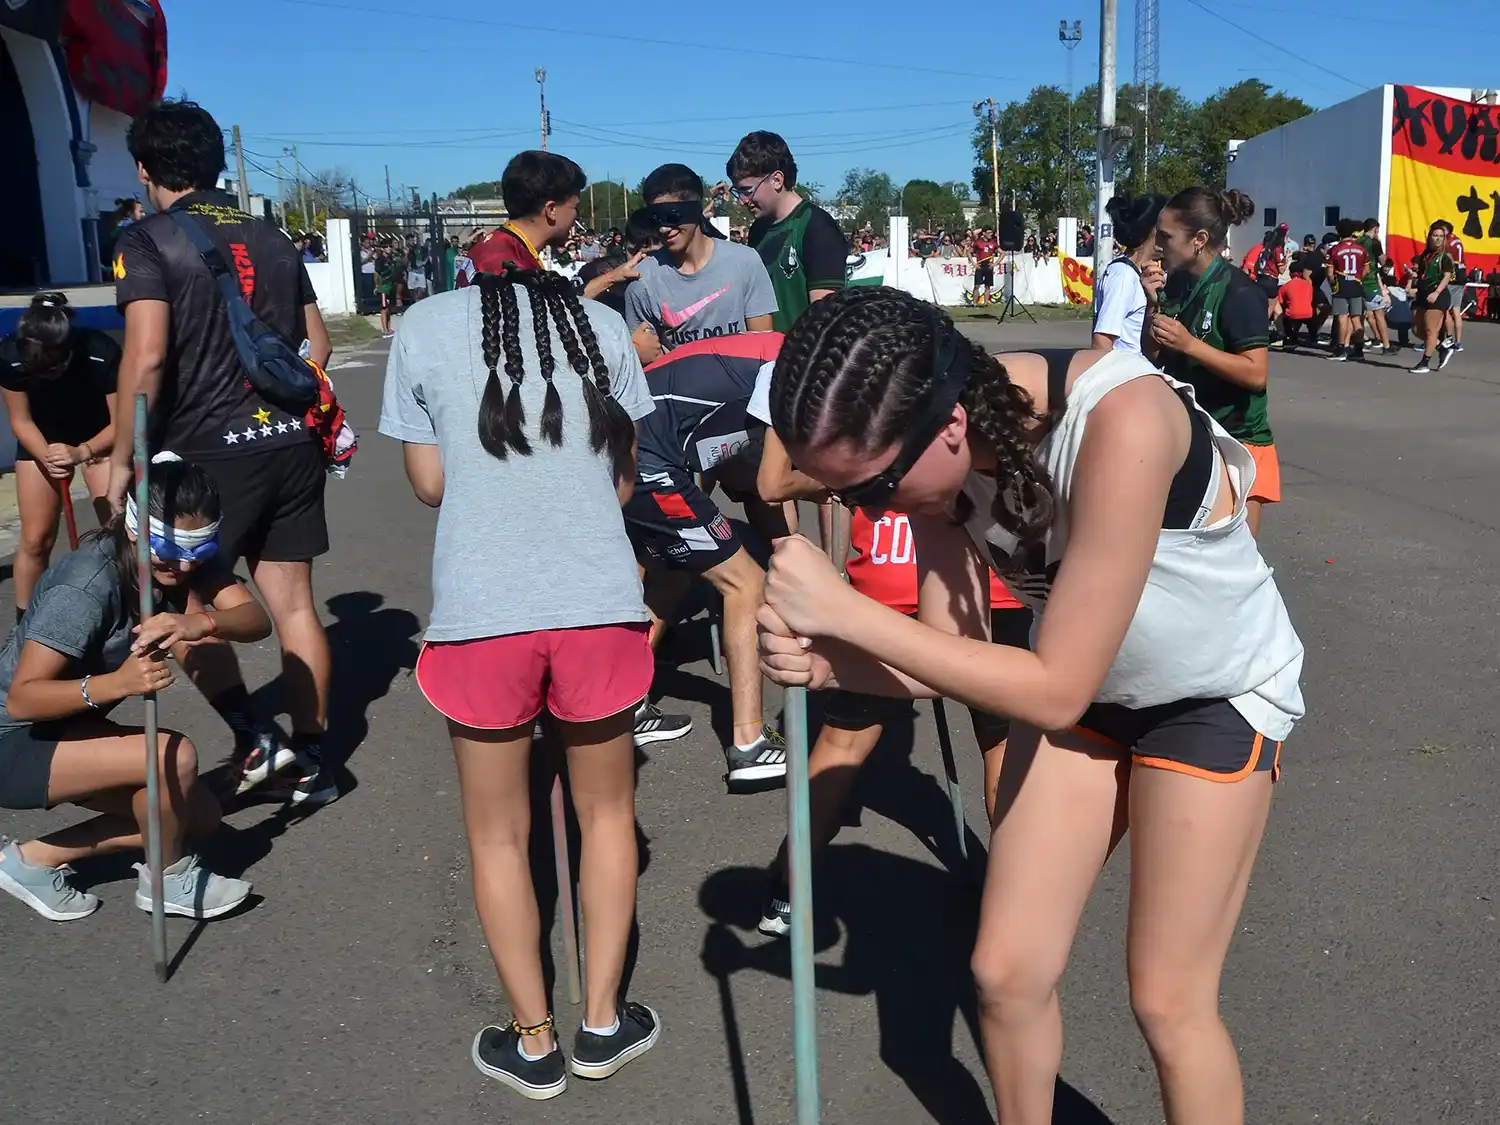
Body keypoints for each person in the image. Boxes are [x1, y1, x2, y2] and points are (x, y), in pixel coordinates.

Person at [755, 285, 1304, 1125]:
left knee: (1168, 1002)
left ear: (948, 425)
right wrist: (830, 661)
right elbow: (949, 654)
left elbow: (1054, 685)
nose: (867, 514)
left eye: (869, 488)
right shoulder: (935, 465)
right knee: (1006, 974)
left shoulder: (1122, 419)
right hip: (1087, 698)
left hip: (1209, 699)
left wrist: (847, 613)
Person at [380, 265, 663, 1101]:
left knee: (498, 834)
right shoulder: (604, 328)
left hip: (483, 610)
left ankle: (534, 1040)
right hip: (597, 601)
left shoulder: (422, 326)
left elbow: (430, 483)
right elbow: (623, 480)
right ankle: (603, 1021)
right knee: (607, 814)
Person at [108, 98, 337, 807]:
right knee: (294, 604)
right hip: (289, 441)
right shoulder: (273, 236)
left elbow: (146, 356)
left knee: (173, 598)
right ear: (214, 161)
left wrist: (120, 459)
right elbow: (319, 345)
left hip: (204, 454)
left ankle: (256, 738)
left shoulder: (145, 240)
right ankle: (312, 759)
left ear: (144, 168)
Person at [0, 454, 265, 922]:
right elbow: (23, 698)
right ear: (135, 528)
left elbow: (255, 620)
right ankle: (168, 880)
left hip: (66, 726)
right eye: (168, 547)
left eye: (199, 549)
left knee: (199, 816)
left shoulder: (184, 560)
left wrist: (197, 623)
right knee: (172, 757)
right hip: (13, 739)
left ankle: (31, 860)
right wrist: (116, 684)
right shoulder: (85, 586)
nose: (184, 564)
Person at [623, 333, 788, 785]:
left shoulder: (776, 355)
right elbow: (772, 484)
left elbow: (742, 472)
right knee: (744, 583)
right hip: (646, 458)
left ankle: (622, 704)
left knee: (673, 575)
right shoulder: (790, 366)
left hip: (635, 452)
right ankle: (749, 744)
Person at [1146, 187, 1277, 538]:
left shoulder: (1239, 293)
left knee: (1236, 555)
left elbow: (1256, 373)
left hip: (1239, 442)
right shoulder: (1177, 284)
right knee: (1185, 552)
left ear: (1199, 240)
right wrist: (1151, 306)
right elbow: (1155, 355)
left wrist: (1190, 345)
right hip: (1193, 435)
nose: (1157, 245)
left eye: (1166, 236)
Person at [0, 293, 118, 613]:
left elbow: (122, 422)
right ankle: (27, 621)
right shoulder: (8, 354)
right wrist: (49, 457)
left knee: (118, 532)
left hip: (100, 437)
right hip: (43, 438)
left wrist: (82, 451)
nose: (46, 376)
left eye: (52, 368)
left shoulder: (100, 351)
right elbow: (20, 420)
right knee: (35, 539)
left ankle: (127, 611)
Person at [624, 163, 777, 360]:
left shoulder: (745, 262)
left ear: (695, 209)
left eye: (672, 216)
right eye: (655, 219)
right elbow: (645, 359)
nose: (663, 229)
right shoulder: (642, 281)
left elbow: (763, 348)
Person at [727, 131, 847, 335]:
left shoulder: (817, 227)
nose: (742, 200)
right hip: (762, 351)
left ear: (777, 180)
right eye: (738, 192)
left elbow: (825, 320)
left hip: (801, 352)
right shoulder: (758, 230)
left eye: (747, 191)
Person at [1091, 193, 1167, 354]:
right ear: (1155, 230)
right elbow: (1102, 342)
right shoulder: (1123, 275)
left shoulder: (1141, 272)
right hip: (1126, 369)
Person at [1409, 221, 1455, 374]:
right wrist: (1414, 275)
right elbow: (1423, 273)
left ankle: (1425, 362)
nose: (1438, 239)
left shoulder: (1445, 257)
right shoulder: (1425, 255)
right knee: (1416, 329)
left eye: (1441, 236)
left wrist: (1436, 292)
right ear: (1429, 237)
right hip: (1423, 293)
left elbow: (1447, 276)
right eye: (1435, 235)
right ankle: (1441, 347)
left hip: (1438, 295)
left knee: (1430, 329)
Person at [1325, 219, 1369, 362]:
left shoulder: (1334, 250)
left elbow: (1330, 273)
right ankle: (1359, 350)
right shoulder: (1361, 249)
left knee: (1342, 318)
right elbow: (1367, 269)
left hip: (1341, 286)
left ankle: (1341, 349)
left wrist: (1333, 284)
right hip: (1356, 285)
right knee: (1356, 318)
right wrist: (1357, 278)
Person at [1357, 218, 1394, 354]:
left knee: (1358, 314)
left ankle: (1358, 344)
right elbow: (1383, 262)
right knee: (1379, 314)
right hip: (1370, 281)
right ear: (1375, 228)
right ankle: (1386, 345)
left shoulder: (1357, 241)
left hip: (1357, 280)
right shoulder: (1374, 243)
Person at [1275, 266, 1316, 350]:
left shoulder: (1285, 286)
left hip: (1293, 314)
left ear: (1290, 274)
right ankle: (1313, 337)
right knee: (1311, 318)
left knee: (1285, 319)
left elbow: (1280, 301)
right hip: (1308, 313)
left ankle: (1291, 338)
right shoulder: (1308, 284)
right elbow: (1310, 299)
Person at [1441, 220, 1465, 353]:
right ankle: (1458, 342)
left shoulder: (1448, 242)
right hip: (1461, 273)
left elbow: (1449, 258)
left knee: (1445, 309)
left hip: (1453, 275)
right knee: (1456, 310)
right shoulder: (1457, 240)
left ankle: (1448, 339)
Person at [972, 226, 998, 306]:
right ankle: (974, 303)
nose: (991, 234)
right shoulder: (978, 242)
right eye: (989, 232)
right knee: (977, 285)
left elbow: (1002, 253)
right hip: (980, 265)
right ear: (984, 233)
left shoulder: (993, 242)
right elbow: (969, 252)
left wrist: (995, 263)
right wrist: (974, 263)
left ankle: (986, 303)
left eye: (991, 232)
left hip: (989, 266)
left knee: (988, 286)